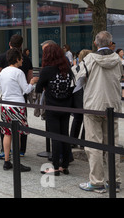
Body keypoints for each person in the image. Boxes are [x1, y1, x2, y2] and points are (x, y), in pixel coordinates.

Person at [76, 31, 123, 193]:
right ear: (111, 43)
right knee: (112, 144)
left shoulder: (89, 59)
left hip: (93, 106)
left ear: (96, 43)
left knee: (94, 145)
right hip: (113, 106)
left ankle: (97, 181)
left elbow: (78, 78)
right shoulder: (118, 60)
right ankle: (115, 181)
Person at [0, 48, 38, 172]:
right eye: (21, 58)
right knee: (17, 134)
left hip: (6, 105)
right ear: (17, 59)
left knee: (7, 133)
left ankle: (7, 161)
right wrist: (32, 82)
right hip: (18, 106)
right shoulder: (18, 72)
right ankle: (17, 162)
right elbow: (25, 90)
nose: (23, 60)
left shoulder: (3, 72)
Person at [0, 34, 33, 158]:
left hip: (5, 102)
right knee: (19, 131)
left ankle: (6, 157)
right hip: (18, 102)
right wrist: (32, 84)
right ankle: (19, 153)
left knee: (6, 131)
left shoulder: (2, 63)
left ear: (10, 44)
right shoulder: (24, 64)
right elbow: (27, 83)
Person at [36, 44, 74, 176]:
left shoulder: (47, 70)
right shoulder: (68, 69)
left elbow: (38, 89)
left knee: (55, 137)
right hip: (66, 106)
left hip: (52, 107)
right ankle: (65, 165)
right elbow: (72, 88)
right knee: (64, 135)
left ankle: (56, 166)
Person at [69, 49, 91, 146]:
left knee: (77, 118)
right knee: (87, 118)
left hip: (76, 93)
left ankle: (73, 141)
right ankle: (83, 141)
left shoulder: (74, 68)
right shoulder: (89, 68)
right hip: (86, 93)